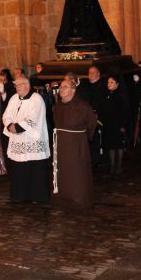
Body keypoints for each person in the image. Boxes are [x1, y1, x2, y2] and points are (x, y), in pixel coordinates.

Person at [2, 77, 51, 204]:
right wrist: (9, 125)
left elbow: (33, 118)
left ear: (27, 86)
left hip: (32, 140)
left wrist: (16, 127)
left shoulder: (37, 99)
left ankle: (38, 196)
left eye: (20, 85)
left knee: (35, 169)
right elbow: (6, 115)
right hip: (17, 140)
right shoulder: (13, 98)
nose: (17, 87)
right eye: (16, 85)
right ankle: (20, 195)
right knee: (19, 169)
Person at [52, 79, 97, 209]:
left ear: (73, 90)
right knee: (63, 172)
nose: (61, 89)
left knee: (77, 173)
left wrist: (84, 139)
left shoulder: (82, 106)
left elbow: (92, 123)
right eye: (61, 86)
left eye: (65, 87)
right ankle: (64, 197)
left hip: (77, 145)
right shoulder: (58, 106)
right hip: (61, 144)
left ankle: (79, 199)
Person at [97, 74, 132, 177]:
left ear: (117, 84)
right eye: (108, 82)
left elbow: (125, 112)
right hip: (108, 125)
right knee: (110, 146)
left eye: (112, 82)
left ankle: (119, 167)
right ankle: (112, 167)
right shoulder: (106, 94)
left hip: (118, 125)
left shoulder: (121, 96)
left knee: (119, 146)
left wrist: (123, 125)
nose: (109, 84)